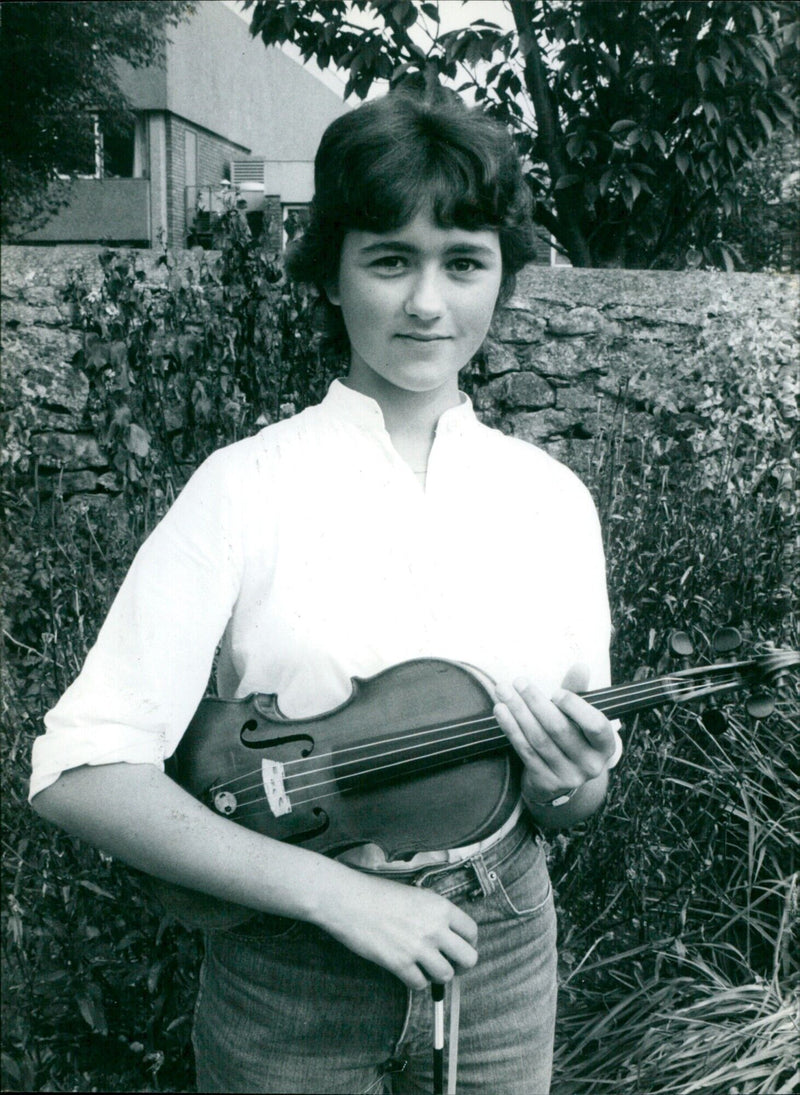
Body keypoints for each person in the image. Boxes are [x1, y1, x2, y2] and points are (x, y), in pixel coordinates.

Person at [30, 88, 621, 1094]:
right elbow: (79, 772)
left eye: (463, 263)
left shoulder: (550, 502)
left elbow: (569, 801)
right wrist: (331, 895)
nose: (426, 303)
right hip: (291, 974)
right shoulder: (244, 488)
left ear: (500, 282)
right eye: (389, 259)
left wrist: (573, 784)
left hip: (503, 953)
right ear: (332, 276)